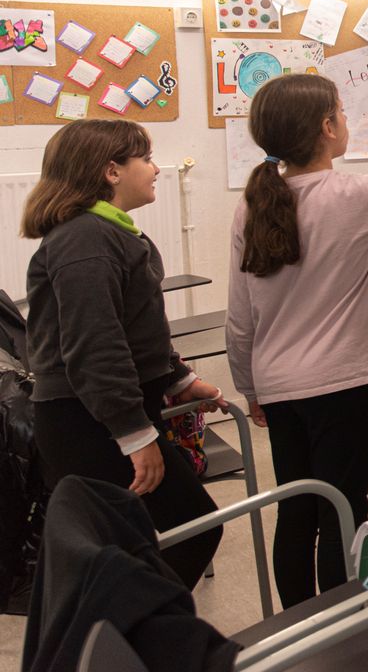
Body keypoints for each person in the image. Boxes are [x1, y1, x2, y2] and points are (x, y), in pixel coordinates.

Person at [225, 73, 368, 608]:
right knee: (342, 508)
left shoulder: (250, 205)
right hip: (338, 385)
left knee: (295, 508)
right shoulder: (352, 195)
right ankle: (341, 618)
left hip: (277, 387)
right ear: (326, 127)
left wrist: (250, 389)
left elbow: (239, 317)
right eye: (341, 113)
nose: (346, 121)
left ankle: (299, 622)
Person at [21, 119, 225, 588]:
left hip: (103, 416)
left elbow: (136, 328)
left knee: (145, 542)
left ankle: (132, 637)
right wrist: (136, 436)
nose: (155, 169)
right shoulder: (85, 238)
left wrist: (176, 378)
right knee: (187, 530)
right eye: (146, 159)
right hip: (87, 422)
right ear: (112, 171)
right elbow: (95, 348)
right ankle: (136, 641)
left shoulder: (110, 231)